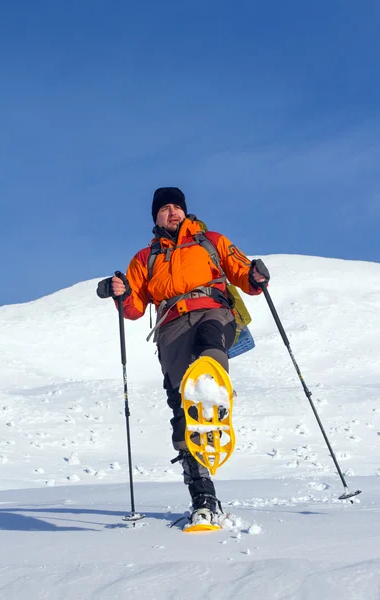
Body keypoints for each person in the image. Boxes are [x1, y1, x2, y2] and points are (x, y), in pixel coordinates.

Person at [97, 187, 270, 524]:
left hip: (213, 311)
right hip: (171, 326)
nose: (172, 212)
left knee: (208, 342)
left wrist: (254, 276)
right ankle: (203, 497)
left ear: (185, 212)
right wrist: (119, 292)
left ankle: (215, 392)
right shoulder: (145, 258)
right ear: (156, 217)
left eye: (177, 207)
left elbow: (242, 272)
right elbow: (133, 308)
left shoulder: (211, 241)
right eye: (165, 209)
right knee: (181, 411)